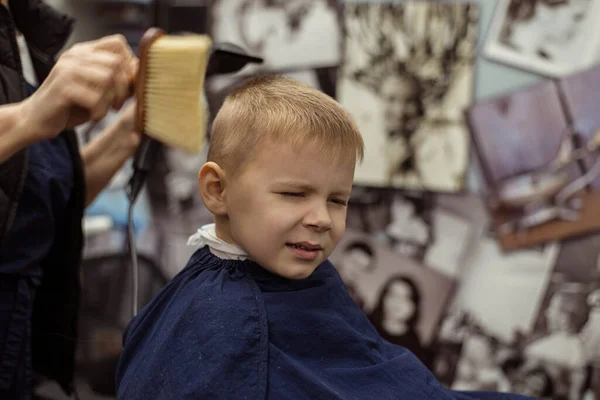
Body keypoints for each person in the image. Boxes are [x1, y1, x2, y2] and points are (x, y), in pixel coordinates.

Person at [115, 74, 533, 399]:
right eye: (293, 194)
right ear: (217, 191)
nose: (322, 218)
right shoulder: (222, 322)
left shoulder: (282, 277)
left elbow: (370, 371)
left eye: (338, 200)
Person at [0, 0, 141, 398]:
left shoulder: (30, 36)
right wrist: (29, 116)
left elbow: (39, 198)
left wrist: (133, 128)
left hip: (30, 339)